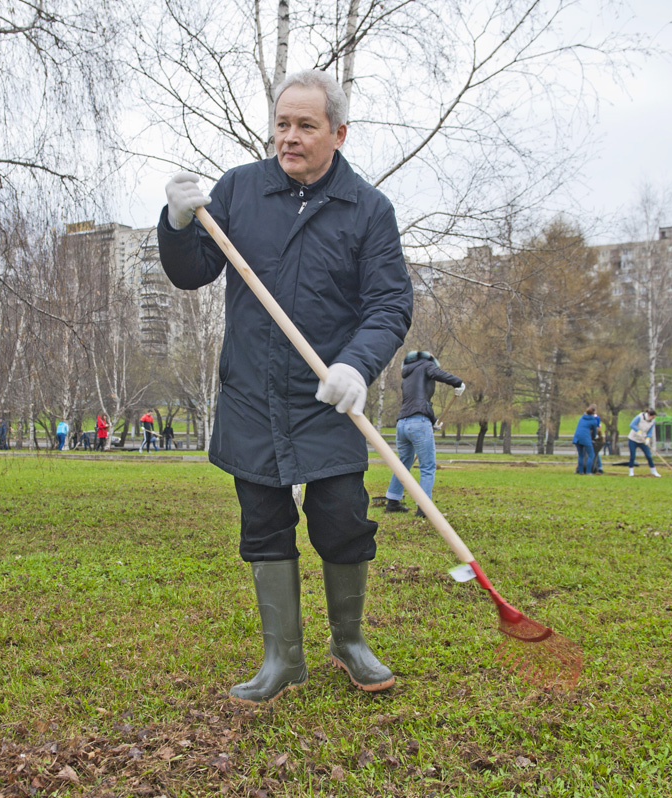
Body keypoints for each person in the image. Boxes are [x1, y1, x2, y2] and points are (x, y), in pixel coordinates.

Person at [158, 69, 412, 703]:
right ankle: (282, 658)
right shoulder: (240, 190)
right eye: (282, 124)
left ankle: (349, 643)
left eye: (305, 126)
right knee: (264, 522)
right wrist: (177, 221)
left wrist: (356, 365)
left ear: (339, 133)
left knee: (343, 520)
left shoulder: (369, 211)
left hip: (329, 397)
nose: (289, 138)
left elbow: (388, 307)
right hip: (253, 391)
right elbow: (190, 273)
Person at [383, 351, 464, 515]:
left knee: (403, 465)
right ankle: (423, 508)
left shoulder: (406, 375)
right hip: (418, 423)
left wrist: (433, 420)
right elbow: (438, 374)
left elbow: (416, 402)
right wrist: (458, 383)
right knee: (427, 466)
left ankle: (392, 502)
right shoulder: (427, 366)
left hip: (402, 423)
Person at [626, 409, 661, 477]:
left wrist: (648, 438)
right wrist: (638, 431)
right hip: (633, 439)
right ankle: (631, 472)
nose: (653, 418)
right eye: (652, 417)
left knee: (649, 456)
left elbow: (650, 431)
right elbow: (632, 425)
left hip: (642, 440)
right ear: (648, 415)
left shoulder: (652, 421)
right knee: (632, 456)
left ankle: (654, 472)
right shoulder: (640, 417)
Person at [571, 405, 600, 476]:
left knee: (580, 455)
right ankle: (588, 471)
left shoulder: (581, 418)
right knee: (591, 455)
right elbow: (594, 432)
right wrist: (595, 436)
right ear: (594, 412)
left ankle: (581, 471)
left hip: (577, 437)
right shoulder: (593, 421)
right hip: (585, 438)